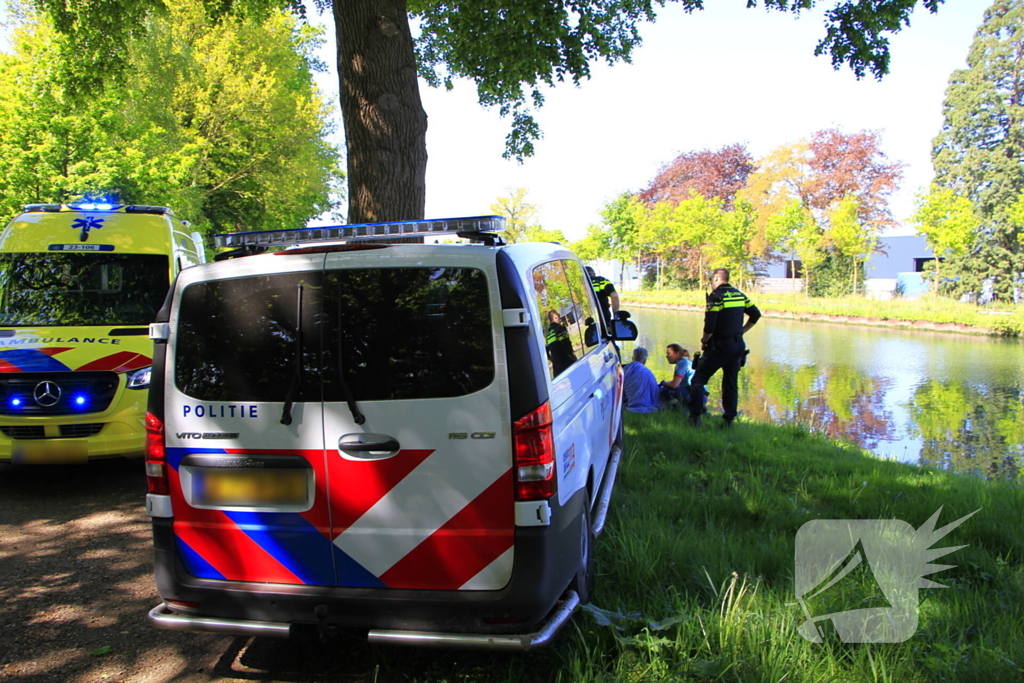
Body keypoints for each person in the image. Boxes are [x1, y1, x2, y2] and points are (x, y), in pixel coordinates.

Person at [688, 268, 761, 427]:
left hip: (718, 347)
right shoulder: (739, 295)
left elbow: (710, 324)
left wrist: (704, 340)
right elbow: (756, 314)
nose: (710, 284)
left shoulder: (716, 297)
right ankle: (728, 420)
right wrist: (742, 331)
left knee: (698, 381)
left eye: (710, 280)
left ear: (716, 279)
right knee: (730, 383)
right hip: (737, 346)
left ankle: (695, 418)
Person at [622, 346, 661, 413]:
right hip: (645, 405)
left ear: (633, 358)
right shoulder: (648, 373)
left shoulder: (625, 370)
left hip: (629, 403)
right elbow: (654, 394)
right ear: (645, 361)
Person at [545, 310, 577, 376]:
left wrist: (552, 359)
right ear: (555, 317)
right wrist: (573, 357)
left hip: (557, 368)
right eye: (559, 316)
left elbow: (546, 350)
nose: (560, 318)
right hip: (566, 363)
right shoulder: (560, 328)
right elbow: (566, 344)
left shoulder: (548, 333)